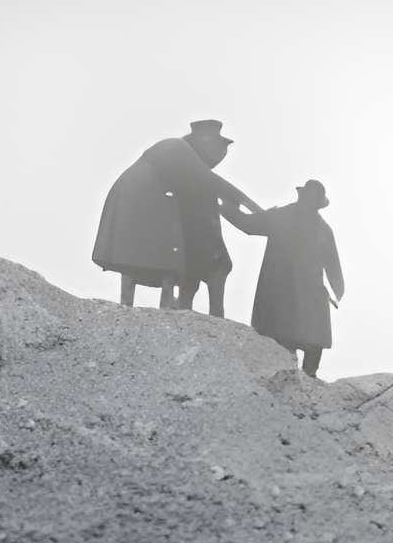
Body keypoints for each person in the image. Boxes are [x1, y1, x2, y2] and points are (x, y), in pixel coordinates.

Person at [91, 119, 265, 316]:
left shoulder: (180, 156)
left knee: (142, 251)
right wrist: (252, 206)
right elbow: (212, 181)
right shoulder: (178, 148)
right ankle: (156, 304)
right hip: (144, 196)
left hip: (139, 196)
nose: (217, 157)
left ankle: (143, 303)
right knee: (161, 249)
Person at [246, 179, 344, 377]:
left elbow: (333, 264)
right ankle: (301, 379)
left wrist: (338, 290)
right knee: (285, 344)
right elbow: (248, 225)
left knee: (312, 344)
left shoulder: (321, 228)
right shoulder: (282, 217)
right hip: (282, 296)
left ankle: (309, 379)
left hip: (306, 297)